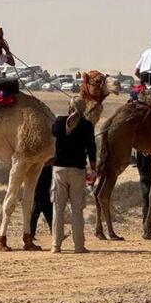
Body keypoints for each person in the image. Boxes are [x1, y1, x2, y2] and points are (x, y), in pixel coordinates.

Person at [50, 103, 97, 254]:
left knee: (58, 209)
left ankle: (56, 245)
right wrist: (93, 169)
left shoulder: (59, 121)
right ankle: (79, 246)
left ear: (69, 107)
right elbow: (91, 148)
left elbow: (54, 133)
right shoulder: (87, 126)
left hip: (59, 170)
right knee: (77, 210)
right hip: (77, 170)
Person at [30, 162, 54, 241]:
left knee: (41, 204)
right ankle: (54, 231)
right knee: (43, 204)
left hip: (40, 169)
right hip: (41, 169)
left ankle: (30, 233)